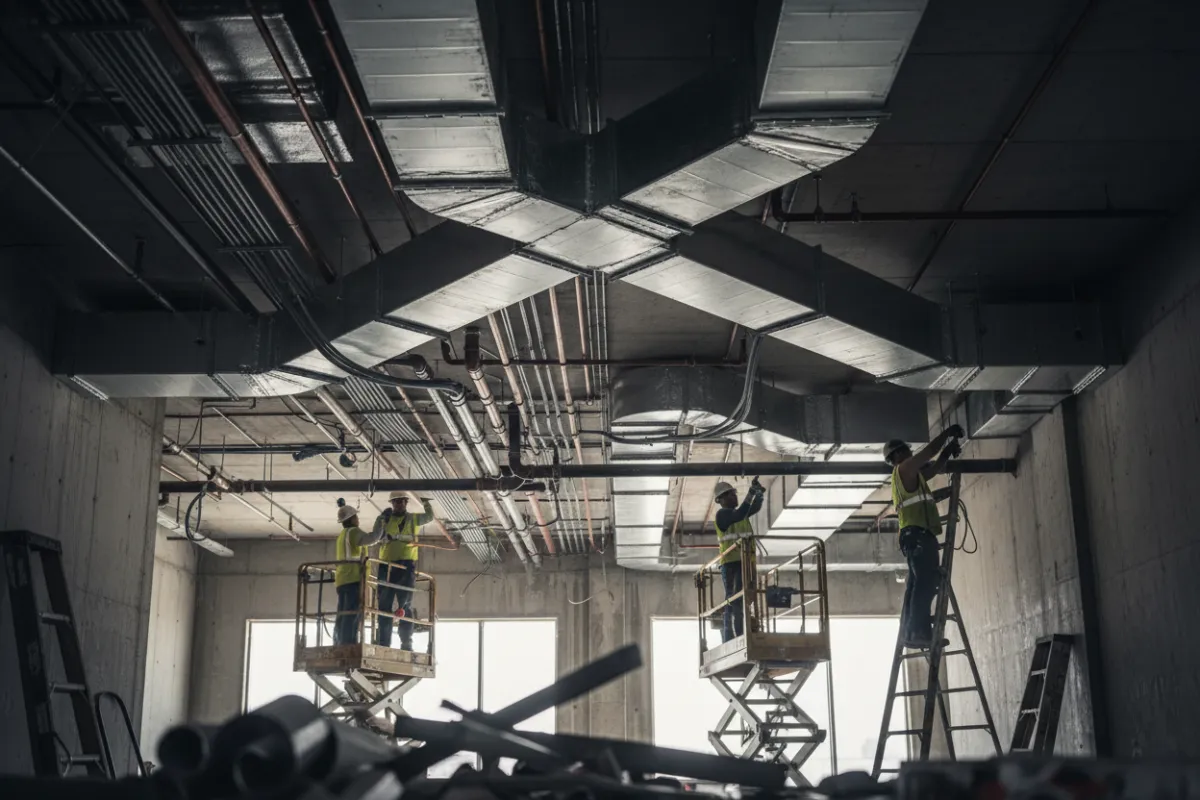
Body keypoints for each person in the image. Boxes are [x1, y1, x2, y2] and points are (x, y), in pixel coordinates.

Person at [883, 425, 964, 649]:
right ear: (898, 454)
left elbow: (934, 468)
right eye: (907, 451)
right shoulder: (904, 469)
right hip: (918, 534)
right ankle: (919, 633)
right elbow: (928, 454)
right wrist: (947, 433)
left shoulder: (909, 476)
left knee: (918, 584)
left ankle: (910, 632)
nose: (911, 454)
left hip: (914, 535)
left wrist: (947, 453)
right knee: (926, 583)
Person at [372, 491, 436, 650]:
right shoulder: (386, 519)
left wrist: (426, 503)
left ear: (406, 503)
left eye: (401, 501)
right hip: (387, 565)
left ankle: (406, 643)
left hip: (406, 565)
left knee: (405, 605)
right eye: (396, 502)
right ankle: (383, 644)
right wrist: (380, 519)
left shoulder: (413, 519)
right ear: (392, 503)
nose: (399, 504)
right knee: (384, 606)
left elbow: (429, 517)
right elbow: (375, 536)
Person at [713, 477, 765, 643]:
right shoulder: (722, 515)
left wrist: (759, 494)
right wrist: (751, 493)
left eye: (733, 494)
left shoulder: (739, 514)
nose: (733, 497)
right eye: (728, 495)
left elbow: (753, 508)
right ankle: (735, 637)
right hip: (732, 564)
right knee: (734, 600)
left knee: (746, 599)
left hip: (746, 563)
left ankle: (744, 633)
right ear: (719, 500)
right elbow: (741, 512)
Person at [333, 500, 367, 646]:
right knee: (352, 612)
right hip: (353, 578)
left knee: (343, 612)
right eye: (356, 517)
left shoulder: (342, 535)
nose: (358, 519)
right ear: (352, 519)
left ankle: (338, 642)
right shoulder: (354, 532)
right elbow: (370, 539)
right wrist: (381, 527)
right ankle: (348, 643)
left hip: (342, 579)